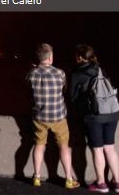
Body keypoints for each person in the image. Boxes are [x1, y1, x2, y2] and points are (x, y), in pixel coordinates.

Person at [70, 44, 119, 193]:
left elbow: (73, 98)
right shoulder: (100, 69)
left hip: (94, 115)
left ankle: (101, 183)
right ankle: (117, 183)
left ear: (80, 57)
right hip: (112, 113)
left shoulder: (77, 73)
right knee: (110, 148)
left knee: (98, 149)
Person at [25, 43, 80, 189]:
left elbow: (28, 90)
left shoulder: (31, 74)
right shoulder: (60, 73)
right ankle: (69, 179)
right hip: (58, 116)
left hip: (40, 117)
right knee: (64, 146)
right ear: (50, 58)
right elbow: (64, 89)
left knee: (39, 145)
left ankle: (37, 177)